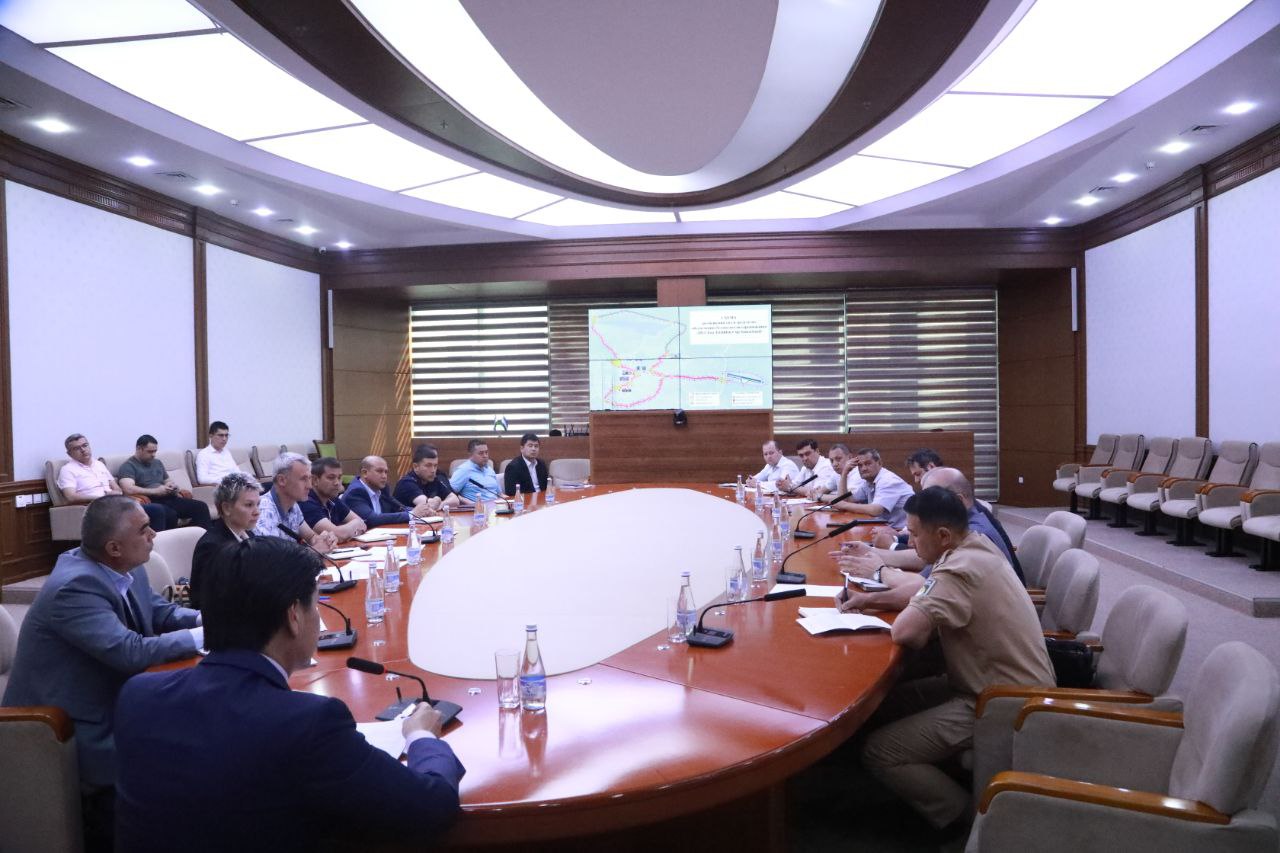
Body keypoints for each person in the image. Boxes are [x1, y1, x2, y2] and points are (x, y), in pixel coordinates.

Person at [113, 537, 465, 852]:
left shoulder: (138, 695)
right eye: (315, 603)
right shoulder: (307, 723)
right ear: (294, 616)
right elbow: (430, 808)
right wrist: (420, 736)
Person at [2, 496, 202, 850]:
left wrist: (209, 619)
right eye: (144, 529)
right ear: (114, 547)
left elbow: (161, 613)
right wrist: (205, 636)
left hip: (111, 697)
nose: (154, 534)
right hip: (67, 726)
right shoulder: (75, 586)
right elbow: (130, 652)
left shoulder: (123, 566)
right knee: (176, 754)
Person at [857, 487, 1054, 837]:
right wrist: (875, 600)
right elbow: (928, 597)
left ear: (943, 536)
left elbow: (905, 631)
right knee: (887, 702)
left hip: (1001, 703)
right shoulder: (976, 545)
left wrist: (890, 596)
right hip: (993, 683)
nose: (909, 542)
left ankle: (969, 823)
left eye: (914, 534)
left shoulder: (960, 570)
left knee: (880, 751)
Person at [835, 468, 1025, 613]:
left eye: (931, 498)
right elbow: (923, 561)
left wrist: (879, 572)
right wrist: (873, 552)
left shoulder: (974, 533)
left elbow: (921, 589)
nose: (922, 506)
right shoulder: (965, 522)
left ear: (958, 500)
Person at [57, 432, 168, 532]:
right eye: (77, 448)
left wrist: (116, 493)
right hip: (95, 507)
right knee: (156, 510)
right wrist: (101, 497)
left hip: (114, 503)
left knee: (160, 509)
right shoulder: (67, 470)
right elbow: (70, 497)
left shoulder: (99, 464)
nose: (83, 450)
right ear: (69, 453)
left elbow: (117, 488)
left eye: (85, 445)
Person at [190, 472, 261, 609]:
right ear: (226, 508)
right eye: (249, 505)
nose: (257, 511)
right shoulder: (211, 547)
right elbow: (209, 601)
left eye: (258, 504)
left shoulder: (249, 535)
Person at [117, 434, 212, 531]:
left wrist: (171, 486)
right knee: (170, 514)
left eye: (155, 451)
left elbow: (167, 480)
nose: (153, 454)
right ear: (139, 448)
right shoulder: (128, 466)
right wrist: (155, 491)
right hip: (151, 501)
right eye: (150, 451)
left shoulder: (157, 462)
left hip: (168, 497)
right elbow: (128, 489)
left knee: (201, 507)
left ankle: (201, 537)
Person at [254, 453, 337, 553]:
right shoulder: (263, 511)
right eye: (303, 479)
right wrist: (314, 550)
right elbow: (272, 558)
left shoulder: (293, 505)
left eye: (309, 478)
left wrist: (325, 540)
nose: (309, 486)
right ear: (282, 480)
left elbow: (311, 537)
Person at [827, 448, 914, 527]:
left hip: (901, 532)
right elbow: (845, 499)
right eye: (860, 465)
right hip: (883, 527)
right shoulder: (868, 482)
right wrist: (845, 473)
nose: (863, 468)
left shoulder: (888, 480)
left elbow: (875, 510)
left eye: (868, 464)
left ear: (879, 463)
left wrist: (844, 505)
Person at [345, 455, 434, 526]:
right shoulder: (355, 492)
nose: (384, 476)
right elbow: (372, 519)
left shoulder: (382, 488)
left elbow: (399, 508)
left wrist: (423, 511)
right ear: (365, 473)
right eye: (379, 471)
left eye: (386, 472)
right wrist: (412, 514)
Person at [299, 457, 369, 540]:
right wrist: (350, 530)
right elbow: (339, 535)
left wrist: (346, 532)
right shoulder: (306, 501)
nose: (337, 483)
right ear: (315, 480)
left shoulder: (332, 498)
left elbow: (362, 523)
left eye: (339, 477)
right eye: (331, 478)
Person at [394, 444, 460, 511]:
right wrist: (438, 501)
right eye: (428, 465)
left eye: (435, 465)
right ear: (415, 467)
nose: (433, 470)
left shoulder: (434, 479)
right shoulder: (406, 483)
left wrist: (441, 504)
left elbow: (455, 500)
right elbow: (427, 505)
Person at [449, 439, 501, 503]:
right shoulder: (464, 470)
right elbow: (449, 493)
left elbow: (500, 494)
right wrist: (465, 501)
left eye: (486, 452)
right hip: (476, 507)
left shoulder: (490, 470)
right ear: (470, 455)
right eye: (481, 453)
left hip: (495, 506)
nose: (485, 456)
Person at [194, 421, 240, 485]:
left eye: (226, 435)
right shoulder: (204, 454)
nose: (224, 439)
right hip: (220, 487)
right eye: (221, 435)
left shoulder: (226, 452)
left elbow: (237, 472)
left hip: (234, 485)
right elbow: (202, 479)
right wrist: (226, 480)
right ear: (211, 436)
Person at [503, 433, 549, 497]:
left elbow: (546, 487)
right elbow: (511, 493)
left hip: (543, 499)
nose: (533, 449)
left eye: (536, 446)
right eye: (530, 446)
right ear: (522, 449)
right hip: (525, 501)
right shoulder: (513, 467)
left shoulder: (541, 464)